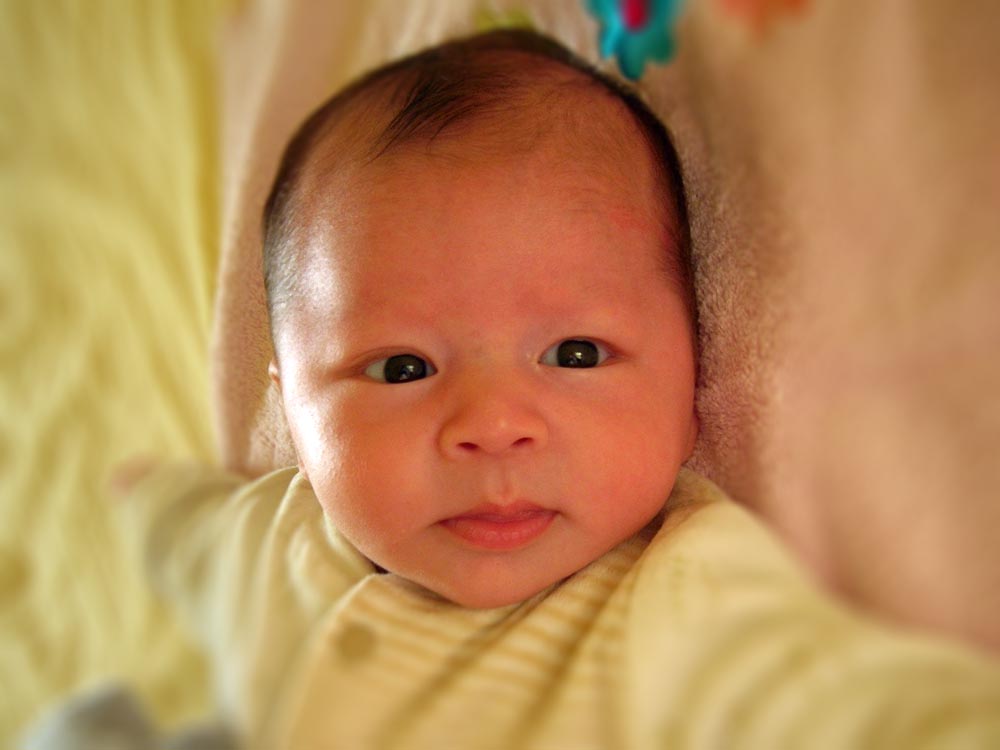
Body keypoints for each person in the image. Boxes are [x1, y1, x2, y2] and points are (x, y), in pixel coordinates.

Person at [116, 29, 1000, 750]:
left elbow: (855, 707)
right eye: (402, 369)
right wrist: (138, 498)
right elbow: (190, 531)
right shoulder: (275, 528)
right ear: (290, 407)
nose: (494, 426)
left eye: (576, 354)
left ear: (691, 380)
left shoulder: (680, 593)